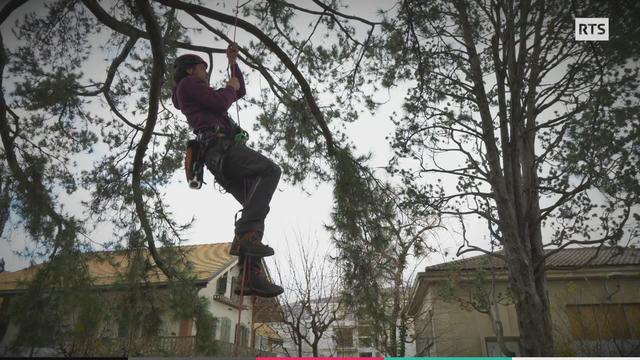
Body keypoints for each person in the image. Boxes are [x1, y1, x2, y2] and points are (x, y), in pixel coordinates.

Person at [171, 44, 283, 297]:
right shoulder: (187, 85)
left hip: (219, 157)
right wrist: (229, 88)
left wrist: (233, 63)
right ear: (190, 70)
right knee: (270, 171)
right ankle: (245, 235)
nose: (205, 73)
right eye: (203, 67)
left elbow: (237, 91)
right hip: (220, 148)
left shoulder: (194, 90)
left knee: (255, 205)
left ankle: (249, 275)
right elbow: (222, 101)